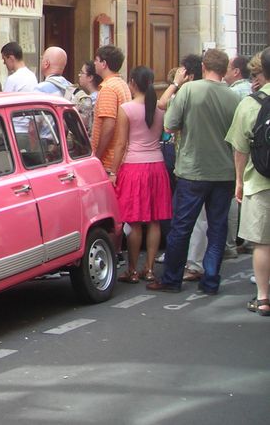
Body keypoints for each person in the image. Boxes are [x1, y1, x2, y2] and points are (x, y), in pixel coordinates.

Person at [148, 49, 240, 295]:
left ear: (203, 66)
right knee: (217, 228)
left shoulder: (190, 90)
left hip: (193, 170)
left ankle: (171, 278)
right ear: (223, 70)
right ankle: (210, 281)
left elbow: (170, 124)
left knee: (182, 227)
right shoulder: (234, 97)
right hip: (224, 172)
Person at [110, 66, 173, 283]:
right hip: (157, 165)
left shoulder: (126, 109)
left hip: (133, 167)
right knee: (154, 220)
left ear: (133, 83)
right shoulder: (159, 109)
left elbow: (120, 144)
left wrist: (113, 171)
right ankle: (150, 269)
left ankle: (132, 270)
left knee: (135, 221)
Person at [226, 46, 270, 316]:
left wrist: (239, 181)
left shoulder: (251, 103)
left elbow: (240, 147)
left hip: (260, 182)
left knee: (263, 244)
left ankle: (264, 298)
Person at [91, 45, 132, 174]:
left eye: (96, 60)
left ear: (104, 64)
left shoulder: (108, 88)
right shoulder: (122, 84)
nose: (94, 63)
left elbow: (109, 125)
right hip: (120, 157)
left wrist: (97, 156)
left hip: (108, 160)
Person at [74, 61, 101, 134]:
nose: (79, 75)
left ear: (90, 77)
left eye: (82, 73)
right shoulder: (100, 95)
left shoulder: (90, 100)